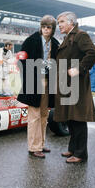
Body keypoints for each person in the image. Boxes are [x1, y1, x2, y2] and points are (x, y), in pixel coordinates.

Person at [54, 12, 95, 163]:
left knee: (78, 119)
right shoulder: (70, 36)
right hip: (67, 83)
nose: (59, 24)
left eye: (61, 22)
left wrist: (79, 68)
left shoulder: (81, 35)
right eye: (58, 22)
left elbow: (93, 53)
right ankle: (73, 148)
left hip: (76, 84)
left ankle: (80, 154)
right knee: (71, 118)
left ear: (71, 22)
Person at [17, 15, 60, 158]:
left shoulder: (55, 43)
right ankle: (34, 147)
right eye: (43, 27)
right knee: (34, 115)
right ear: (40, 27)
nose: (46, 30)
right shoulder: (31, 40)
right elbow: (22, 62)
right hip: (34, 81)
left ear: (53, 29)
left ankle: (40, 144)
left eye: (49, 27)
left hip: (49, 81)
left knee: (44, 114)